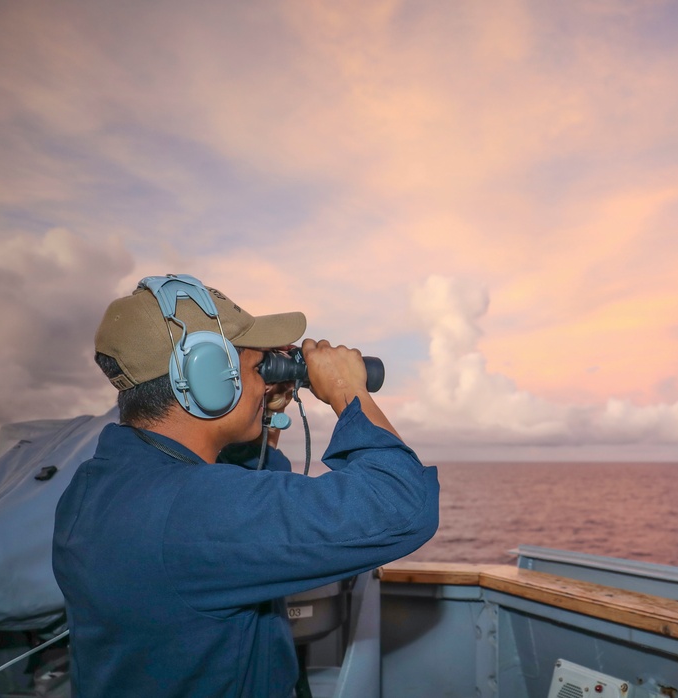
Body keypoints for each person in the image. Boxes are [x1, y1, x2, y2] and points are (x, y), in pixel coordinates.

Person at [52, 274, 439, 697]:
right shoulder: (193, 509)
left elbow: (244, 520)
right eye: (259, 368)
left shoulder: (97, 484)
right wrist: (347, 389)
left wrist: (261, 421)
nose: (266, 383)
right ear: (207, 378)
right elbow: (401, 504)